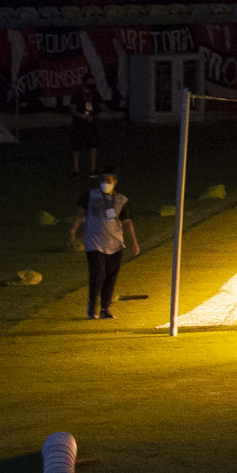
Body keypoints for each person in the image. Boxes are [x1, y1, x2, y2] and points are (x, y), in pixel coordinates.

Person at [65, 172, 138, 321]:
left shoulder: (121, 200)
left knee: (110, 277)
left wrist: (134, 243)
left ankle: (105, 308)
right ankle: (92, 308)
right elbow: (80, 213)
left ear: (115, 182)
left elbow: (128, 222)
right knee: (97, 275)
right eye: (104, 180)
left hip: (115, 244)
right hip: (94, 243)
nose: (106, 183)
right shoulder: (91, 195)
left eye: (109, 180)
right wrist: (73, 231)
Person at [68, 99, 100, 181]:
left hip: (91, 126)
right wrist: (82, 116)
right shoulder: (77, 94)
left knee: (93, 146)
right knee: (76, 147)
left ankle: (93, 170)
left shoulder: (94, 94)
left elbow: (100, 105)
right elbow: (72, 109)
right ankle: (76, 171)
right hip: (79, 125)